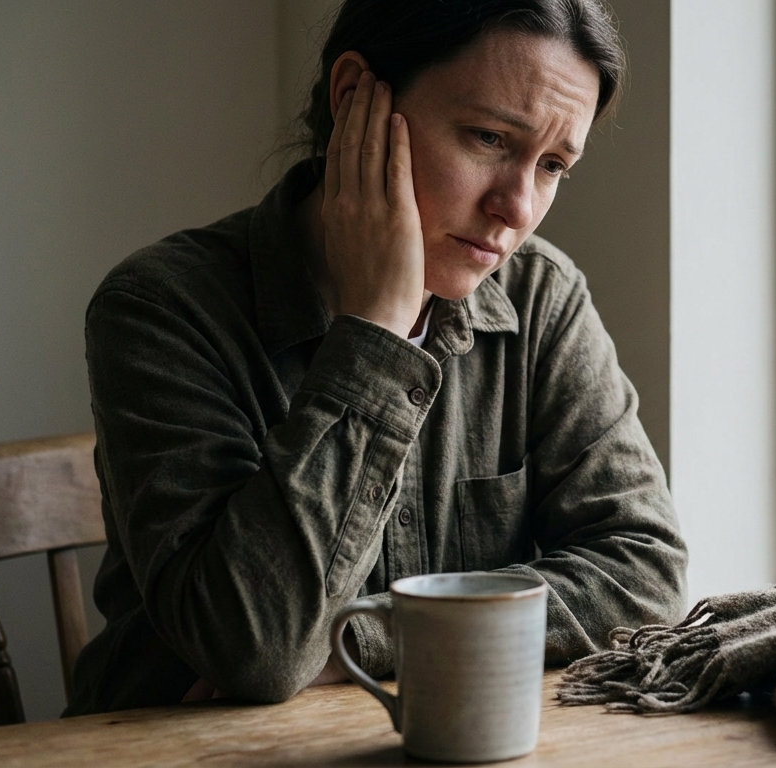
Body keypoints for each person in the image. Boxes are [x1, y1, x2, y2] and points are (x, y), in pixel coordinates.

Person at [65, 0, 687, 715]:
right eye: (488, 137)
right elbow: (258, 650)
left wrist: (365, 641)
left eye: (552, 165)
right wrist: (377, 334)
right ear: (354, 94)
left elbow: (646, 574)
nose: (517, 206)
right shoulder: (162, 307)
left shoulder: (543, 298)